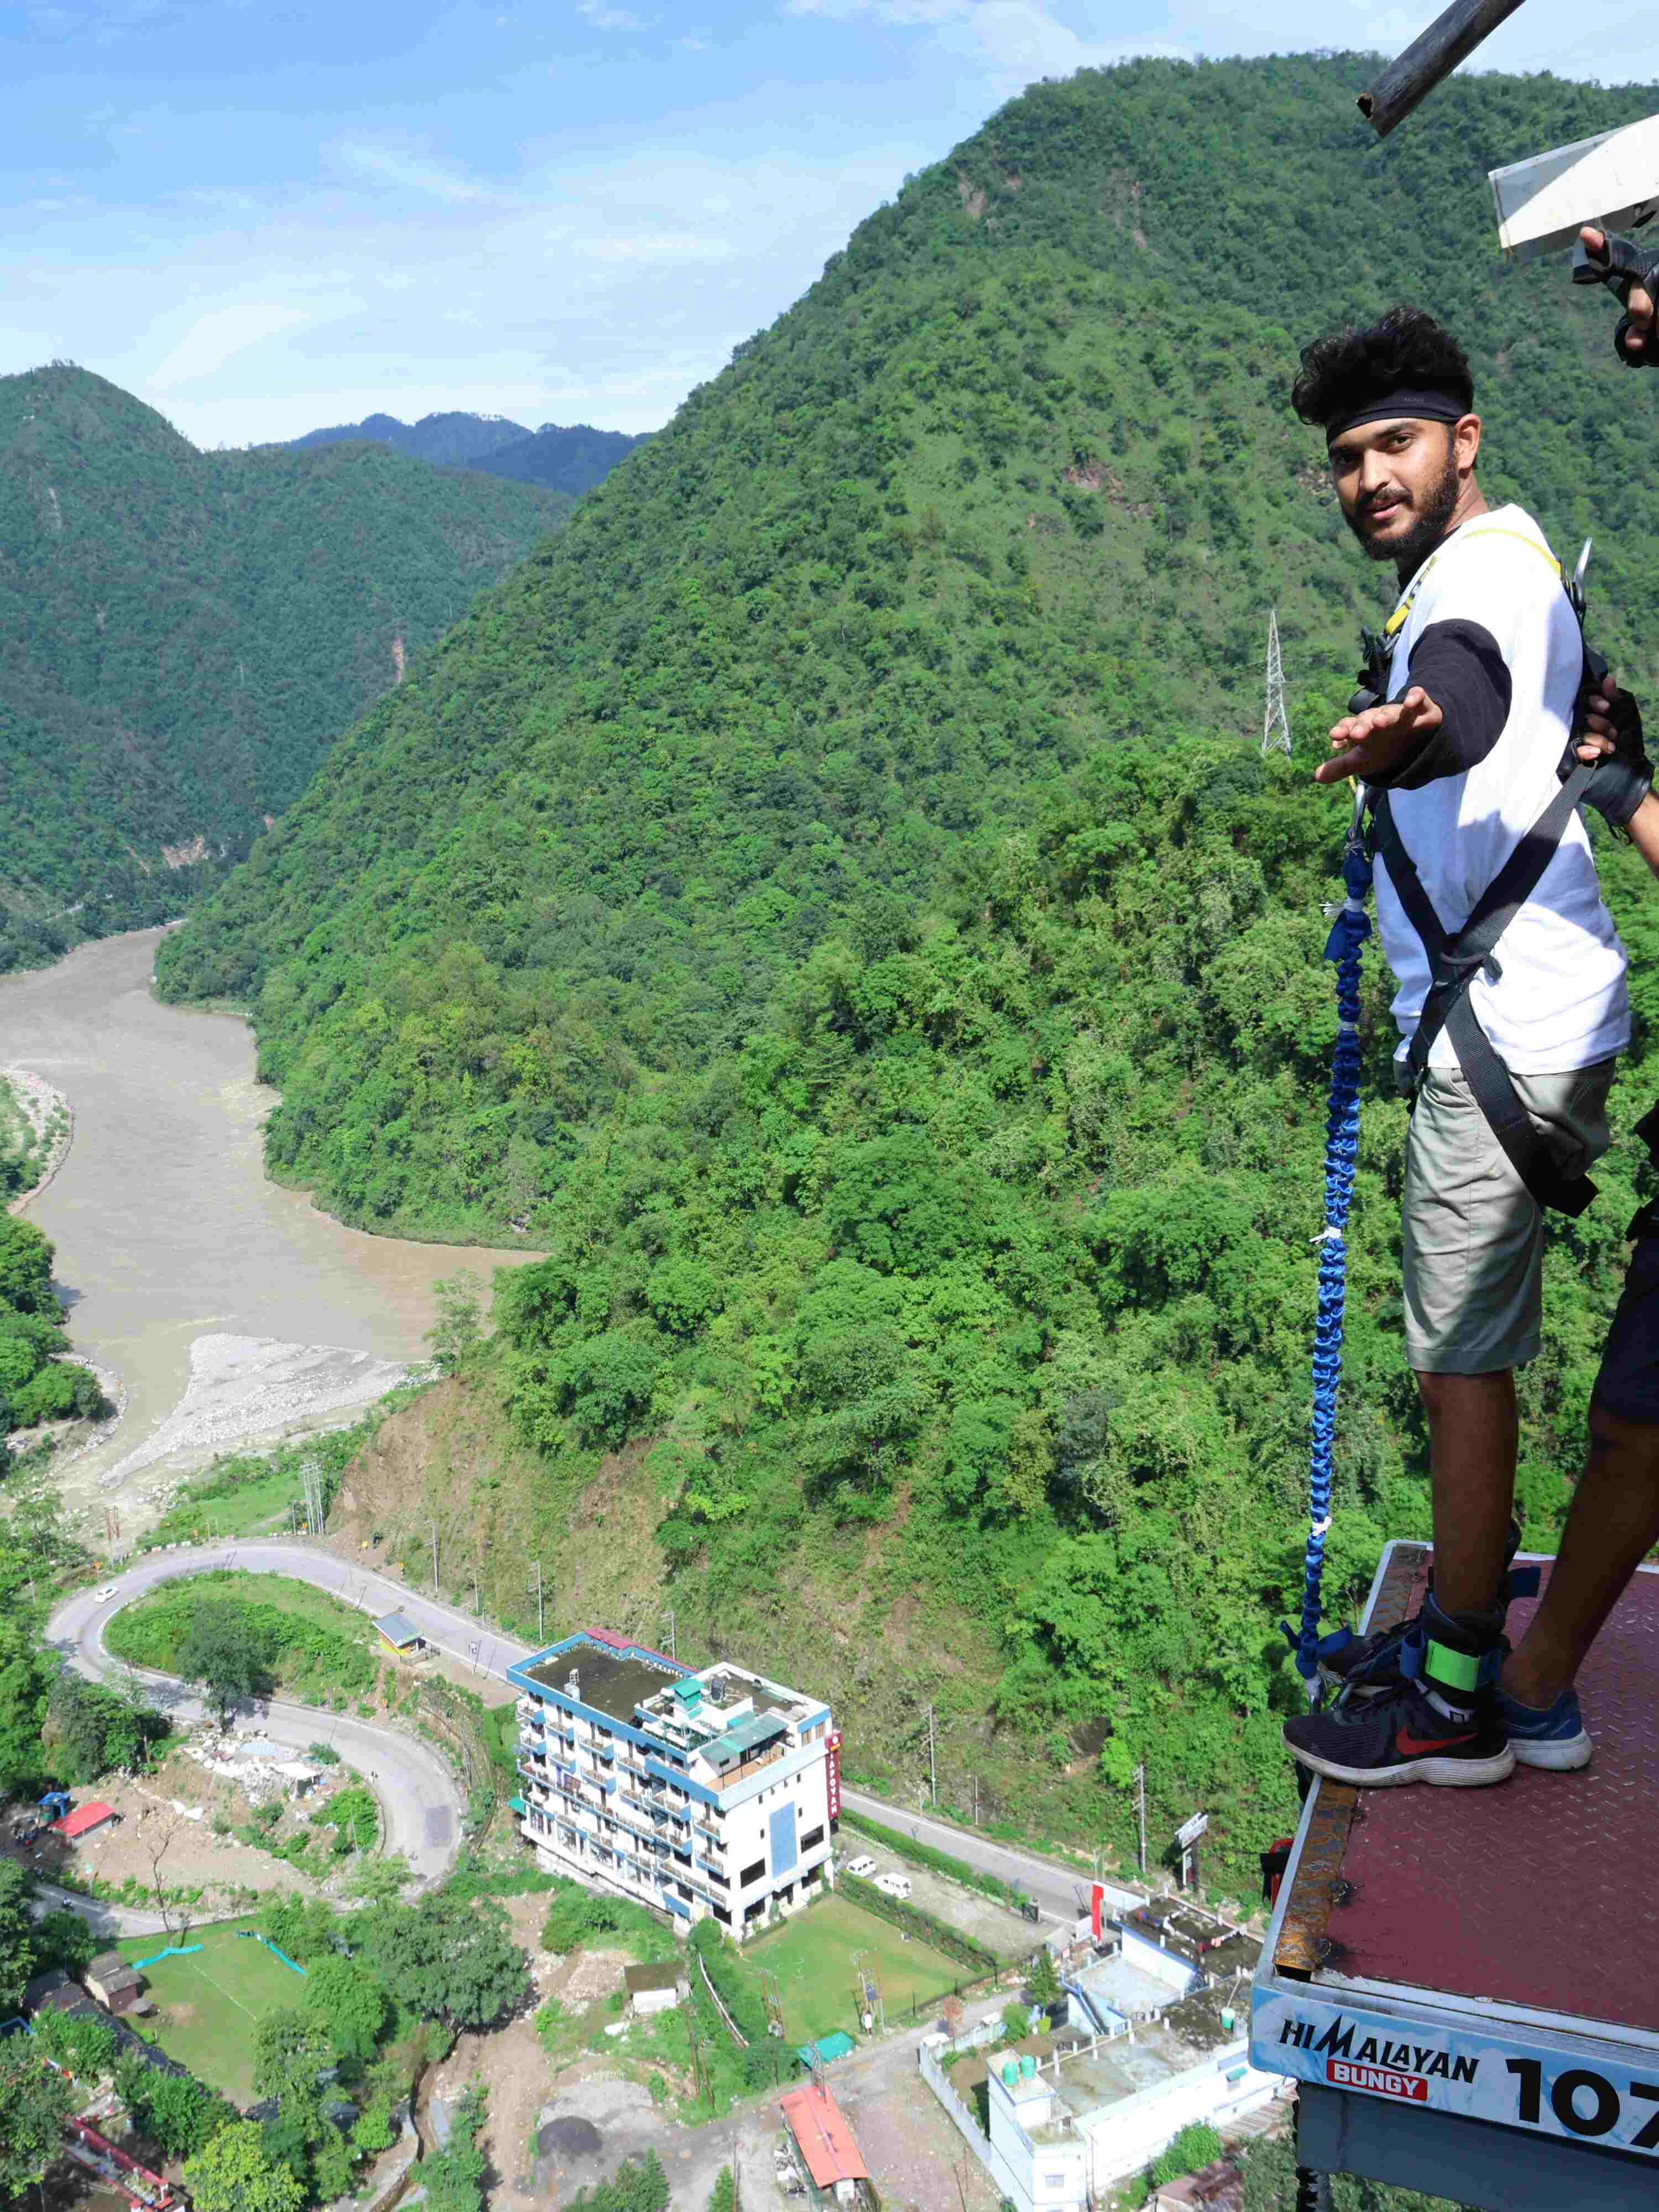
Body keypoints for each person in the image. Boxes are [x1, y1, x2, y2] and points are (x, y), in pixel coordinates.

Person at [1280, 305, 1645, 1788]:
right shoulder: (1507, 558)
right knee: (1470, 1356)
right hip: (1533, 1018)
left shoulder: (1471, 593)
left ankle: (1450, 1706)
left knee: (1460, 1371)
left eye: (1397, 445)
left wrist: (1416, 736)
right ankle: (1462, 1641)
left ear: (1463, 442)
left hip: (1505, 1039)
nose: (1370, 476)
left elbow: (1468, 694)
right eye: (1350, 456)